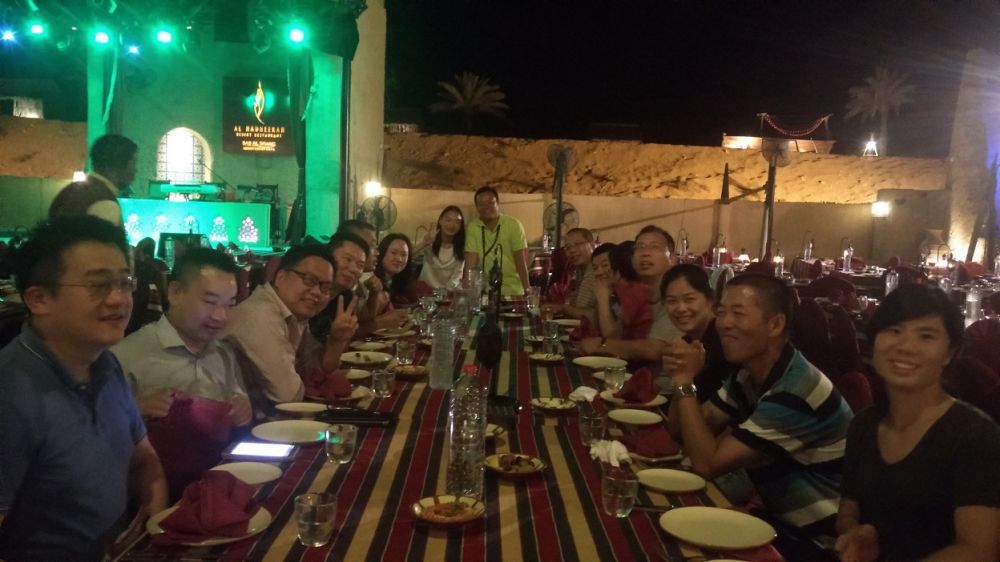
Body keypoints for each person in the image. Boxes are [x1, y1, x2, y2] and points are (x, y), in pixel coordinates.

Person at [0, 215, 167, 560]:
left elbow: (144, 458)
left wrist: (153, 513)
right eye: (99, 285)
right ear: (39, 299)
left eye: (125, 282)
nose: (119, 299)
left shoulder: (106, 364)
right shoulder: (11, 393)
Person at [665, 274, 852, 556]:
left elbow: (707, 464)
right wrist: (683, 378)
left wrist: (683, 380)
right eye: (721, 313)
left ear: (775, 325)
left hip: (818, 544)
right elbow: (681, 431)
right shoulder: (747, 375)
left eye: (738, 314)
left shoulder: (796, 390)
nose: (724, 324)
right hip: (778, 523)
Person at [835, 284, 999, 562]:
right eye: (893, 330)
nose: (906, 346)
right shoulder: (864, 424)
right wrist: (855, 534)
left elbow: (978, 551)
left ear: (950, 353)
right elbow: (848, 510)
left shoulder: (975, 436)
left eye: (926, 336)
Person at [113, 248, 252, 424]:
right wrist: (134, 410)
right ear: (175, 293)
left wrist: (242, 410)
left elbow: (239, 402)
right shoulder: (126, 357)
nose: (221, 316)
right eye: (210, 302)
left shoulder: (223, 353)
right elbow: (99, 429)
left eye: (229, 304)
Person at [228, 244, 358, 403]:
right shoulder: (260, 315)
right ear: (281, 277)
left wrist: (336, 342)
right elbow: (288, 396)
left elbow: (313, 370)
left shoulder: (294, 314)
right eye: (309, 280)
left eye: (325, 287)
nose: (317, 292)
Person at [576, 225, 682, 361]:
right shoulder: (639, 296)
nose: (645, 253)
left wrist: (601, 345)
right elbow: (617, 337)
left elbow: (652, 350)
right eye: (640, 247)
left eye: (655, 247)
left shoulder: (677, 297)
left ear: (672, 258)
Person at [660, 264, 732, 401]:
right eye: (671, 301)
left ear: (710, 299)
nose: (681, 308)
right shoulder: (687, 343)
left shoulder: (724, 341)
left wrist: (685, 378)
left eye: (689, 299)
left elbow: (707, 409)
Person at [337, 220, 408, 335]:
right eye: (372, 246)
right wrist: (380, 323)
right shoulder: (332, 284)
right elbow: (335, 334)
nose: (377, 253)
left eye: (404, 255)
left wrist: (374, 294)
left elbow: (364, 318)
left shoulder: (356, 283)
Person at [49, 134, 138, 226]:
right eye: (134, 163)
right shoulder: (106, 204)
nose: (136, 170)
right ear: (118, 164)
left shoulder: (69, 191)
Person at [464, 186, 530, 296]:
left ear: (498, 203)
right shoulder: (473, 227)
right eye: (481, 204)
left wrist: (527, 291)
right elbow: (470, 263)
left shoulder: (513, 225)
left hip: (513, 291)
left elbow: (521, 262)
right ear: (476, 207)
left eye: (491, 203)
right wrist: (466, 293)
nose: (486, 207)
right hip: (486, 293)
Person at [592, 242, 653, 340]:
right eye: (595, 268)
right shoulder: (619, 292)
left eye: (606, 265)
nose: (599, 272)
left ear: (617, 271)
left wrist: (602, 301)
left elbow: (612, 337)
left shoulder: (634, 293)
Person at [548, 227, 597, 318]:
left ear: (592, 245)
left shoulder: (596, 271)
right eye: (568, 247)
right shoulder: (579, 271)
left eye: (578, 244)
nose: (572, 250)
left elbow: (584, 312)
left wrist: (563, 308)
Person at [413, 205, 466, 289]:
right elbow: (408, 256)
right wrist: (424, 243)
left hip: (448, 293)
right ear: (440, 220)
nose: (452, 225)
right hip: (424, 291)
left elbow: (456, 278)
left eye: (457, 222)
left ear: (460, 226)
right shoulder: (430, 239)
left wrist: (442, 294)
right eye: (448, 220)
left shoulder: (461, 247)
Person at [373, 233, 417, 308]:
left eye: (403, 255)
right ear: (382, 253)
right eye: (393, 253)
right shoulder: (373, 281)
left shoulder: (400, 281)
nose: (399, 259)